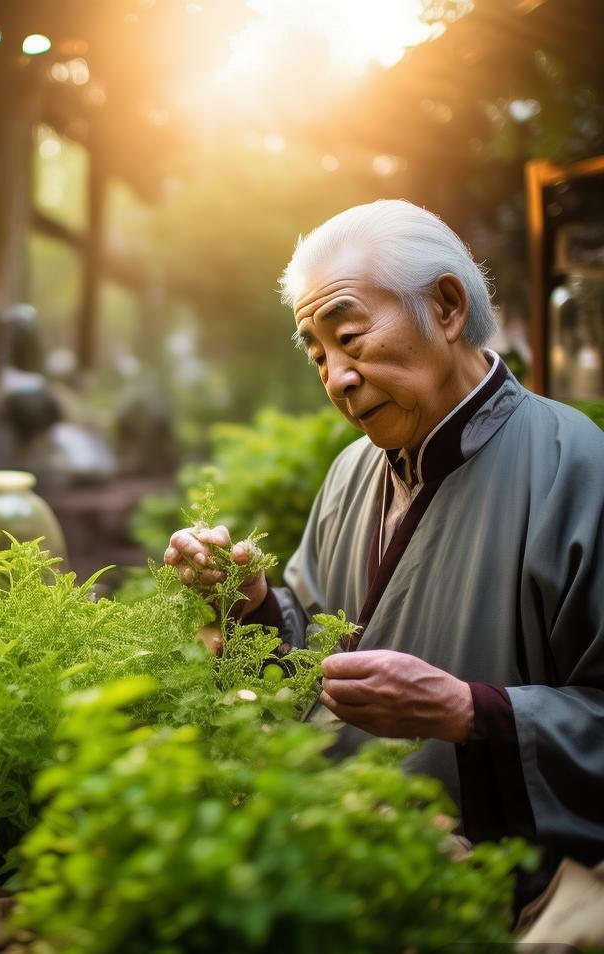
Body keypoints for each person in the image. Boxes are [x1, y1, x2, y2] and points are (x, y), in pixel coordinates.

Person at [165, 200, 604, 877]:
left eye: (351, 337)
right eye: (318, 356)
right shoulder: (349, 475)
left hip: (490, 891)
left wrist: (468, 712)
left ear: (448, 307)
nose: (336, 378)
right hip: (335, 864)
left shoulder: (576, 464)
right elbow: (313, 659)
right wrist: (249, 601)